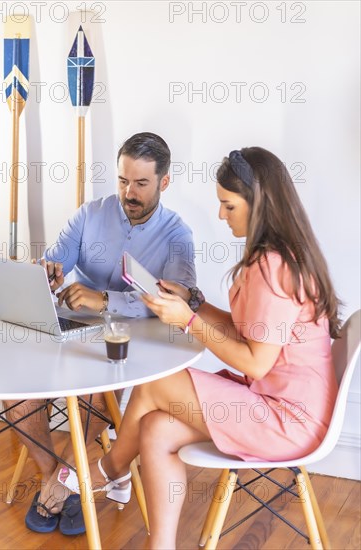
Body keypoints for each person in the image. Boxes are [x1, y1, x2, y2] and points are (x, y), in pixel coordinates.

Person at [58, 146, 341, 549]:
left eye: (228, 205)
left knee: (154, 384)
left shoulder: (274, 266)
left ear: (259, 204)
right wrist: (194, 302)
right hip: (275, 404)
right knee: (155, 429)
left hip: (287, 420)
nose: (221, 215)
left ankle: (109, 469)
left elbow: (256, 363)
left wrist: (187, 321)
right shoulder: (277, 258)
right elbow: (250, 333)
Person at [3, 132, 196, 535]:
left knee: (90, 393)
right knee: (15, 393)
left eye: (141, 183)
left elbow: (178, 305)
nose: (129, 192)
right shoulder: (90, 213)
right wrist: (47, 272)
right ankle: (58, 479)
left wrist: (106, 299)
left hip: (131, 343)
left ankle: (67, 482)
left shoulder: (178, 236)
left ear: (164, 182)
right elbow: (56, 259)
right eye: (123, 180)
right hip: (74, 330)